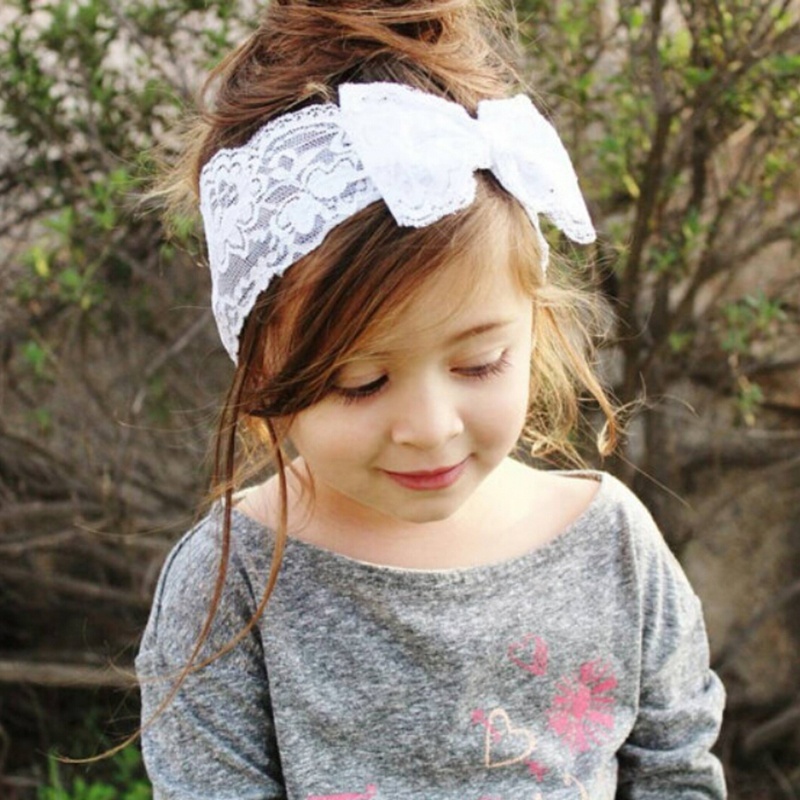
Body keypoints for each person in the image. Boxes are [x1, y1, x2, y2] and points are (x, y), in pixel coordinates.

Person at [136, 1, 726, 798]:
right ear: (264, 370)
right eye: (360, 382)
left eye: (480, 364)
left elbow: (677, 772)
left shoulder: (613, 548)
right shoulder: (230, 583)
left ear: (537, 326)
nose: (429, 428)